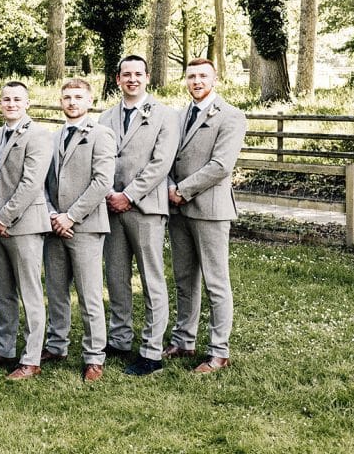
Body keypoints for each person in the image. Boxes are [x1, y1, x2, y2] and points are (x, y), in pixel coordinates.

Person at [165, 57, 247, 374]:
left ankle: (218, 351)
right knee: (184, 279)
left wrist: (182, 189)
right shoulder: (178, 115)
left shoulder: (231, 116)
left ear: (215, 79)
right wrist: (171, 187)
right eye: (191, 76)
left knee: (216, 282)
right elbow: (168, 156)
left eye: (202, 76)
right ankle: (184, 340)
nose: (196, 81)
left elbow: (221, 166)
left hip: (210, 209)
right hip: (178, 210)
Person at [100, 56, 179, 376]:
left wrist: (128, 196)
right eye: (125, 74)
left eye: (138, 74)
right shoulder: (105, 117)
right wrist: (108, 194)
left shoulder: (165, 115)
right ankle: (119, 339)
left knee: (151, 279)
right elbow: (101, 159)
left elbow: (161, 164)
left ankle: (151, 350)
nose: (132, 79)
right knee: (116, 277)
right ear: (117, 79)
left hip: (145, 207)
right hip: (110, 207)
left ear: (147, 78)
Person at [43, 78, 116, 382]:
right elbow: (43, 181)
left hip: (84, 226)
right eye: (67, 97)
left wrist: (70, 217)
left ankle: (94, 356)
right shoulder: (52, 136)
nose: (72, 102)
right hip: (54, 226)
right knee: (56, 290)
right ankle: (57, 344)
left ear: (89, 101)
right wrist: (50, 214)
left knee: (89, 294)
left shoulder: (101, 134)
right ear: (60, 101)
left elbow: (102, 182)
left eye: (78, 97)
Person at [0, 81, 54, 380]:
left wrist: (5, 216)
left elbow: (31, 182)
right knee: (2, 293)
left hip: (24, 223)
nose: (11, 103)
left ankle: (31, 358)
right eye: (6, 99)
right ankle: (5, 349)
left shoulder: (39, 135)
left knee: (29, 291)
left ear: (27, 103)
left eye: (17, 99)